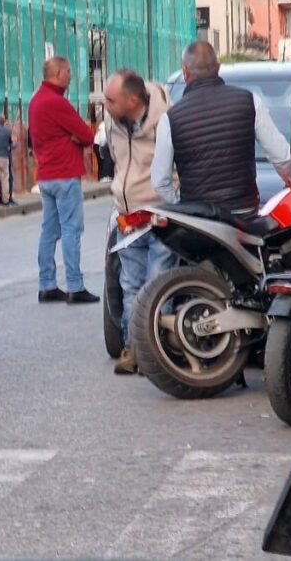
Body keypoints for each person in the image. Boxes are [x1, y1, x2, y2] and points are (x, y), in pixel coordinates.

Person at [151, 41, 291, 214]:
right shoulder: (249, 102)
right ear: (218, 68)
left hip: (198, 220)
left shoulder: (170, 119)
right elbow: (282, 158)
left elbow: (160, 182)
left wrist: (183, 205)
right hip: (244, 213)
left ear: (185, 72)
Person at [103, 69, 177, 374]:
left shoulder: (167, 120)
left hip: (160, 214)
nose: (105, 106)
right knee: (130, 284)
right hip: (127, 215)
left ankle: (156, 352)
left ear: (132, 101)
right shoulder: (113, 121)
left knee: (157, 283)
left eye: (111, 101)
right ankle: (134, 349)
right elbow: (115, 158)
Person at [28, 56, 98, 304]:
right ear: (57, 73)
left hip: (46, 174)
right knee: (71, 229)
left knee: (49, 230)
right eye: (68, 71)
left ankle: (46, 284)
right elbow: (86, 135)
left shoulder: (36, 101)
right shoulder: (57, 102)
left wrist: (70, 137)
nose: (71, 75)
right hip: (64, 173)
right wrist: (72, 138)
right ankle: (75, 286)